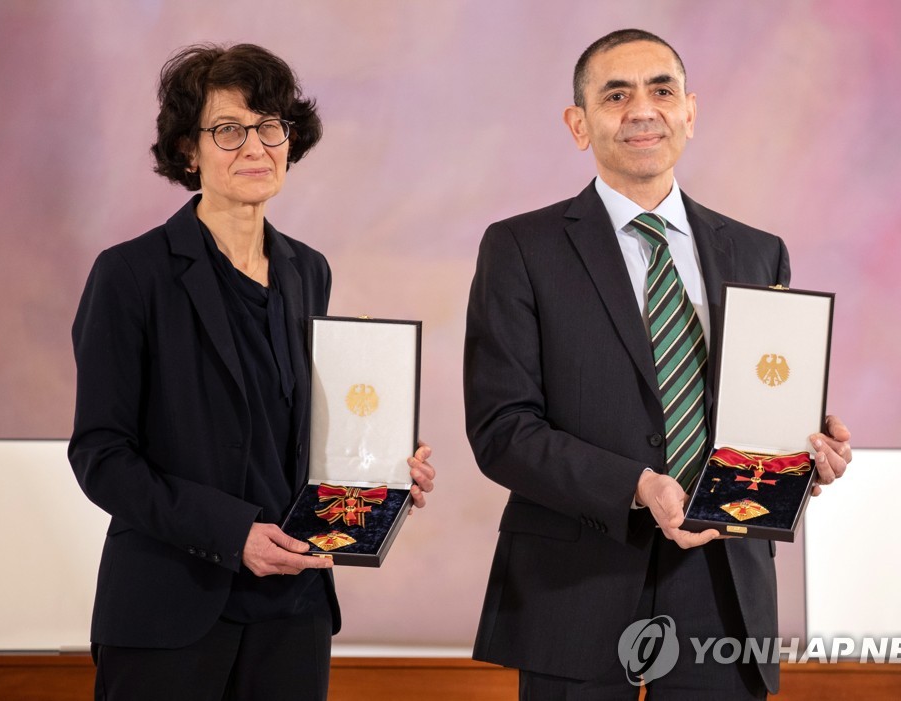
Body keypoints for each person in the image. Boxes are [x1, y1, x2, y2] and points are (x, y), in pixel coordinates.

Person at [464, 29, 851, 700]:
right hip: (574, 586)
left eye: (661, 90)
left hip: (723, 583)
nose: (643, 110)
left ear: (690, 113)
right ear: (578, 125)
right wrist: (639, 484)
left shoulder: (759, 253)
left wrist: (804, 449)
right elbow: (503, 431)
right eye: (616, 95)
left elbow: (761, 400)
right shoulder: (521, 249)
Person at [69, 43, 435, 701]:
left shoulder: (308, 269)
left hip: (294, 612)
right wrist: (231, 533)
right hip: (170, 610)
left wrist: (380, 467)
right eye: (229, 130)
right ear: (189, 149)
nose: (256, 147)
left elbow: (295, 430)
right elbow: (101, 455)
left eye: (271, 127)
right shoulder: (130, 275)